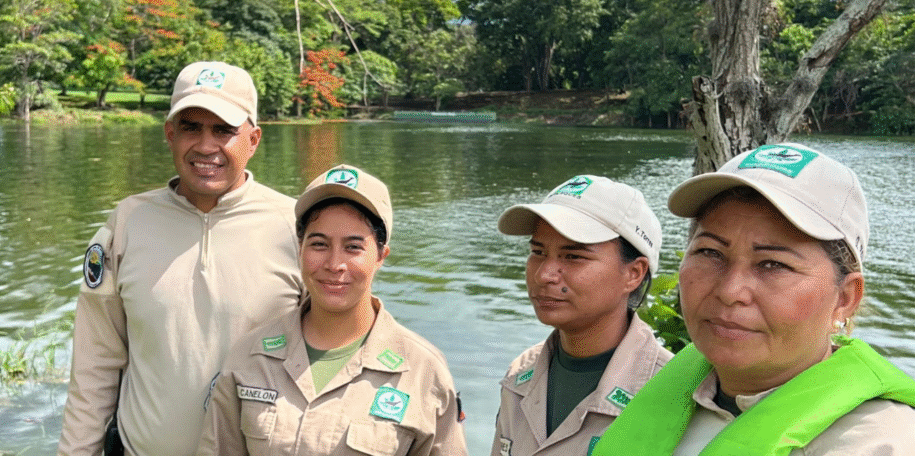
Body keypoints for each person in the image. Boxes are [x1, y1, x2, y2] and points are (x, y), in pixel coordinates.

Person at [593, 143, 915, 455]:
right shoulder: (683, 387)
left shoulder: (878, 442)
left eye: (773, 264)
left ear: (844, 298)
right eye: (710, 252)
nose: (730, 291)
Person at [58, 61, 304, 456]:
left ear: (254, 139)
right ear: (170, 134)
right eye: (191, 127)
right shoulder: (128, 222)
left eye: (224, 130)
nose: (206, 146)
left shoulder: (297, 228)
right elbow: (94, 366)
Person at [196, 164, 468, 456]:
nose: (334, 264)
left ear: (381, 256)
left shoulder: (423, 371)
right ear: (299, 249)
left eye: (353, 247)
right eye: (319, 244)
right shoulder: (250, 356)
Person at [490, 175, 673, 455]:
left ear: (633, 274)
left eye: (573, 256)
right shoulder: (521, 375)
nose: (544, 274)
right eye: (538, 252)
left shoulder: (670, 393)